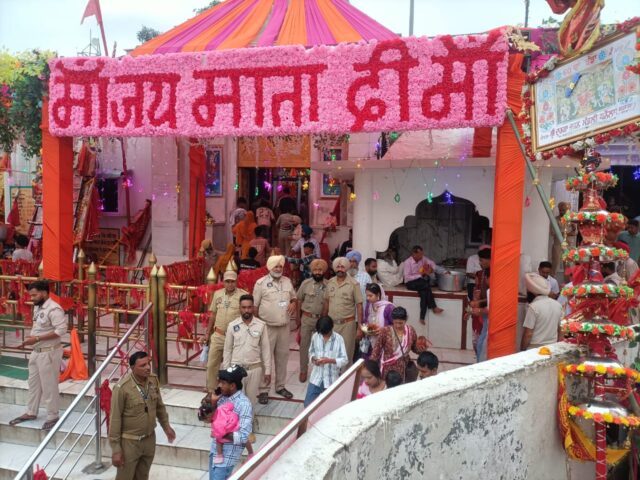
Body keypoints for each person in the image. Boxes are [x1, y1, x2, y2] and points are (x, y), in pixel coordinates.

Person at [108, 351, 176, 480]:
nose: (148, 367)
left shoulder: (153, 380)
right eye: (143, 365)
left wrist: (166, 427)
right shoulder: (122, 388)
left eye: (148, 363)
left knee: (143, 476)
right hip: (130, 442)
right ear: (133, 368)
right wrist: (116, 449)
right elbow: (115, 419)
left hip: (149, 439)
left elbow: (159, 407)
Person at [9, 281, 67, 430]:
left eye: (34, 295)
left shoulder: (54, 309)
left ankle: (53, 415)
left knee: (49, 385)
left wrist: (37, 339)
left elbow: (61, 331)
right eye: (31, 295)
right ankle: (31, 412)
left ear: (44, 293)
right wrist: (31, 340)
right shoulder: (38, 306)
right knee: (33, 383)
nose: (32, 298)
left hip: (49, 352)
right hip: (36, 351)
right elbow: (39, 328)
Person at [254, 255, 297, 404]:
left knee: (282, 358)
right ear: (269, 268)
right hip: (267, 327)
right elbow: (255, 306)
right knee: (265, 359)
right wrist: (256, 327)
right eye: (275, 266)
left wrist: (293, 303)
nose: (278, 269)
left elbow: (294, 297)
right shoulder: (261, 283)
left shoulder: (287, 281)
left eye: (280, 266)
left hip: (284, 327)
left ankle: (280, 386)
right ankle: (263, 390)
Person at [222, 294, 271, 412]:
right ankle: (237, 424)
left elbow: (266, 349)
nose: (246, 310)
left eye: (249, 307)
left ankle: (250, 423)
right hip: (236, 370)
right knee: (236, 403)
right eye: (244, 307)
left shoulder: (261, 325)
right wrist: (226, 372)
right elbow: (227, 350)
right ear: (239, 308)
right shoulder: (232, 326)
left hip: (254, 369)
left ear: (253, 308)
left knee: (250, 402)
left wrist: (268, 371)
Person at [205, 271, 248, 392]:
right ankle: (211, 390)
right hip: (218, 335)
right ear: (223, 282)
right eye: (227, 281)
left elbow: (247, 316)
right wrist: (207, 333)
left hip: (235, 336)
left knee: (232, 365)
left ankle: (231, 390)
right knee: (211, 364)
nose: (230, 284)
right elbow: (213, 315)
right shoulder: (217, 294)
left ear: (236, 282)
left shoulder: (243, 296)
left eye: (232, 281)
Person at [208, 365, 253, 480]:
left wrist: (220, 433)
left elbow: (243, 436)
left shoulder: (244, 404)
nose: (220, 385)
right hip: (214, 452)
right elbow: (206, 419)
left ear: (232, 386)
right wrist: (213, 403)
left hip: (227, 458)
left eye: (223, 383)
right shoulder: (221, 398)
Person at [323, 257, 364, 365]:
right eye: (338, 267)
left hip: (348, 325)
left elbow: (359, 305)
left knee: (346, 356)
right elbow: (326, 302)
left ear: (346, 268)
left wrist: (359, 327)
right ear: (334, 268)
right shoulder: (330, 282)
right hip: (332, 325)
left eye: (342, 267)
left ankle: (346, 376)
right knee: (331, 354)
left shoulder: (354, 284)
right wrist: (323, 322)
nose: (340, 269)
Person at [370, 306, 425, 382]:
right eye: (395, 322)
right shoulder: (385, 331)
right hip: (388, 370)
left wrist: (422, 348)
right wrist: (370, 367)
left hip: (404, 369)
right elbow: (376, 351)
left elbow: (414, 348)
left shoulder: (410, 331)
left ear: (405, 320)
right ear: (392, 320)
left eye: (400, 323)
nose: (398, 325)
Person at [304, 316, 348, 407]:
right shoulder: (316, 336)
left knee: (330, 408)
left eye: (325, 333)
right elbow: (311, 352)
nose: (323, 335)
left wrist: (330, 361)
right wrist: (314, 359)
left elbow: (344, 360)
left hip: (331, 380)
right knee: (308, 406)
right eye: (322, 333)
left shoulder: (339, 339)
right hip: (316, 378)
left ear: (332, 328)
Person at [297, 259, 328, 383]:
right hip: (306, 318)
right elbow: (299, 300)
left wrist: (325, 319)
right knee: (304, 346)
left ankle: (320, 371)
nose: (318, 272)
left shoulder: (329, 284)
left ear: (324, 271)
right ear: (312, 271)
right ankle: (303, 370)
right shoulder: (305, 283)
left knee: (321, 346)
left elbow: (328, 303)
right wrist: (298, 318)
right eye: (315, 270)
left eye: (320, 270)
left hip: (321, 320)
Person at [521, 273, 563, 351]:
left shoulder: (533, 307)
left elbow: (528, 334)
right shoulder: (558, 305)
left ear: (532, 292)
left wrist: (522, 350)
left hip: (534, 349)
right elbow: (561, 329)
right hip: (552, 347)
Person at [403, 245, 444, 323]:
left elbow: (431, 263)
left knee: (424, 294)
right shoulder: (407, 262)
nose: (422, 256)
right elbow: (407, 277)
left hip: (420, 281)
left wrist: (432, 269)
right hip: (410, 283)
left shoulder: (422, 258)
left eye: (422, 254)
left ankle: (422, 318)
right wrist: (420, 275)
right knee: (426, 285)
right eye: (420, 254)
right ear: (414, 254)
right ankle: (434, 307)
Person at [361, 283, 394, 356]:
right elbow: (365, 320)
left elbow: (395, 326)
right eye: (367, 296)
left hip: (384, 341)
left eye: (370, 296)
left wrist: (383, 330)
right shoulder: (369, 305)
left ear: (378, 295)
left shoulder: (388, 307)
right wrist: (366, 328)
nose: (368, 298)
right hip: (370, 340)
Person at [551, 202, 577, 274]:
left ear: (568, 210)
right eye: (560, 210)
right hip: (558, 245)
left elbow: (575, 233)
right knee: (555, 263)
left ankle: (567, 281)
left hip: (569, 245)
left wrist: (574, 228)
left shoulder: (572, 219)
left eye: (563, 210)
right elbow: (553, 232)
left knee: (568, 266)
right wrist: (567, 233)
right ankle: (551, 279)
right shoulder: (555, 220)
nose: (561, 212)